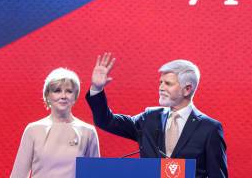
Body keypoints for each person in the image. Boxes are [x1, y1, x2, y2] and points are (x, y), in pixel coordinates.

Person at [86, 53, 228, 178]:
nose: (161, 87)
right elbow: (106, 121)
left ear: (187, 89)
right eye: (160, 82)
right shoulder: (149, 118)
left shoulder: (209, 129)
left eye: (168, 83)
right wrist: (97, 89)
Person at [11, 68, 100, 178]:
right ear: (48, 95)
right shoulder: (33, 130)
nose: (63, 96)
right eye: (57, 90)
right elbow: (18, 175)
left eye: (69, 91)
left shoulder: (88, 132)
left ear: (75, 96)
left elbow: (95, 175)